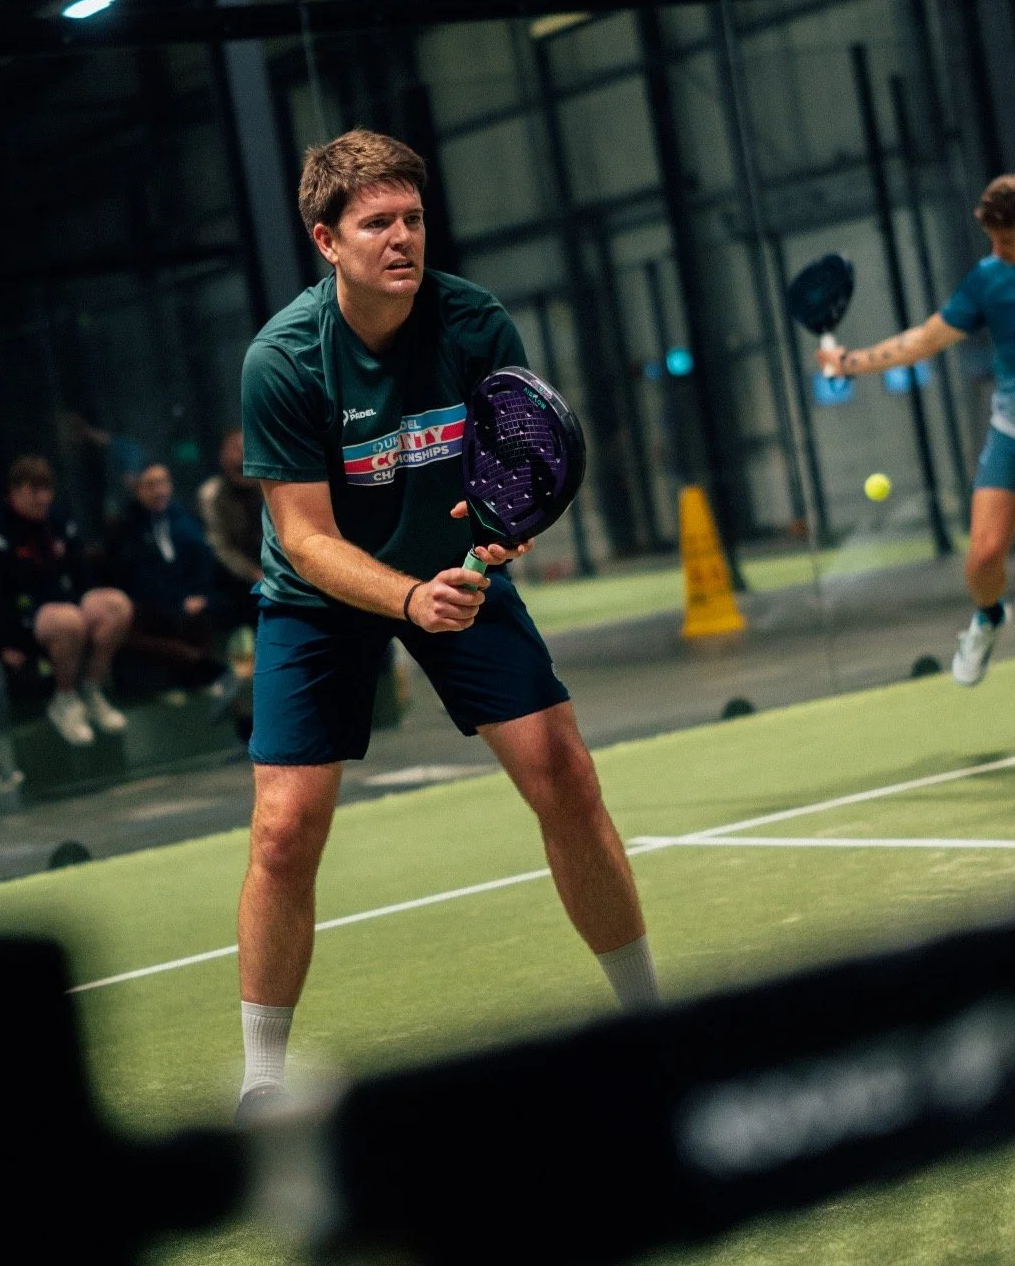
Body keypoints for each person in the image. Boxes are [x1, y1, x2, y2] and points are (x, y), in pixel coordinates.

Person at [235, 129, 659, 1121]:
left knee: (564, 771)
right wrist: (406, 597)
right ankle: (262, 1076)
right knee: (285, 826)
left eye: (412, 218)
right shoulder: (283, 361)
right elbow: (303, 539)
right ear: (325, 240)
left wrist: (491, 551)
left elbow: (513, 469)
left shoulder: (474, 322)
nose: (401, 238)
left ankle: (648, 1023)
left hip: (448, 571)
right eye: (376, 222)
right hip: (322, 595)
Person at [818, 174, 1015, 688]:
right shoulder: (987, 279)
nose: (1000, 249)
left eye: (1009, 238)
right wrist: (850, 362)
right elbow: (923, 341)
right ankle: (988, 618)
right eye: (993, 239)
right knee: (983, 557)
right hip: (1011, 431)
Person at [0, 455, 132, 746]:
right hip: (25, 625)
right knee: (67, 620)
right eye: (34, 494)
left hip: (69, 608)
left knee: (117, 605)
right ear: (16, 491)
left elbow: (83, 575)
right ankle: (65, 701)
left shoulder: (57, 522)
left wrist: (92, 601)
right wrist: (1, 645)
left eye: (47, 492)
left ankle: (91, 690)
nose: (42, 501)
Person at [106, 461, 223, 690]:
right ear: (137, 488)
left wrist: (197, 593)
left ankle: (198, 668)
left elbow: (202, 558)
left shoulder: (180, 516)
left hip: (188, 598)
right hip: (148, 607)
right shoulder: (125, 527)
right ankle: (200, 666)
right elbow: (136, 578)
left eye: (163, 482)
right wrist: (178, 601)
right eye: (151, 484)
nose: (160, 490)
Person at [197, 429, 263, 629]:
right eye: (234, 448)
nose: (242, 454)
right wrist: (256, 575)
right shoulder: (211, 494)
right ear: (222, 456)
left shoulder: (271, 486)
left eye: (246, 448)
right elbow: (220, 547)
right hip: (234, 582)